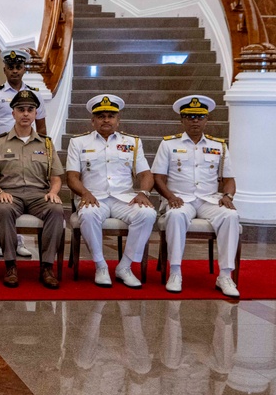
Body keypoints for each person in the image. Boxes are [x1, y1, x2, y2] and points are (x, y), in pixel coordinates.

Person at [152, 95, 240, 297]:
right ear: (182, 119)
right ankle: (175, 272)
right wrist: (170, 196)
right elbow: (158, 178)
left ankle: (225, 276)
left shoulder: (219, 146)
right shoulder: (168, 144)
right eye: (190, 117)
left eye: (200, 117)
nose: (195, 121)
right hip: (180, 199)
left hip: (209, 199)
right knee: (176, 215)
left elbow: (229, 179)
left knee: (231, 216)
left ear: (207, 120)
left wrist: (228, 196)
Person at [65, 94, 155, 288]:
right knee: (88, 215)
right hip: (94, 197)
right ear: (93, 121)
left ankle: (125, 266)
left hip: (124, 198)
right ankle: (101, 266)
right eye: (101, 116)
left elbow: (146, 174)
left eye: (111, 116)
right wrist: (85, 193)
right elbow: (71, 177)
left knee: (148, 214)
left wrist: (143, 193)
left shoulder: (132, 142)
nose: (106, 120)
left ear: (118, 120)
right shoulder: (79, 143)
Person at [0, 89, 64, 289]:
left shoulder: (46, 144)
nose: (25, 114)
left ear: (36, 114)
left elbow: (56, 178)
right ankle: (11, 265)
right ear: (13, 113)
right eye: (21, 110)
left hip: (39, 196)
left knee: (56, 209)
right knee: (3, 210)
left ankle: (47, 267)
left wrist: (53, 192)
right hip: (10, 195)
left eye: (30, 110)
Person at [0, 48, 44, 259]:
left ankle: (19, 241)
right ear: (4, 69)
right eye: (11, 67)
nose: (15, 70)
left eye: (19, 67)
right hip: (3, 153)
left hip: (29, 151)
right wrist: (2, 141)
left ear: (24, 69)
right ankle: (2, 242)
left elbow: (42, 128)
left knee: (25, 191)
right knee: (3, 198)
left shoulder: (35, 94)